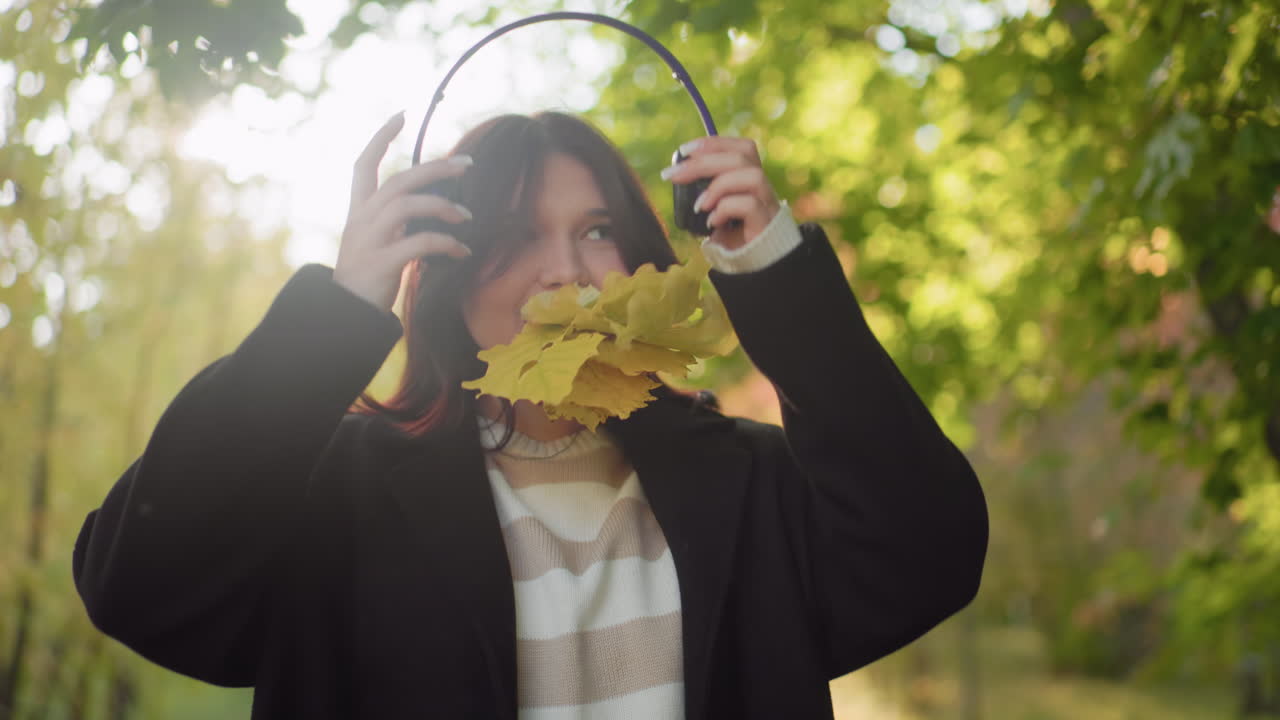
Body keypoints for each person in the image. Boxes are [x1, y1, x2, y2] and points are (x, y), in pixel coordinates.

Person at [73, 110, 988, 719]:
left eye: (596, 232)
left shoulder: (745, 484)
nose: (563, 272)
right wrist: (340, 308)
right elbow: (140, 585)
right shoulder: (340, 500)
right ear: (446, 269)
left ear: (640, 260)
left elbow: (930, 552)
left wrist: (778, 278)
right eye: (514, 237)